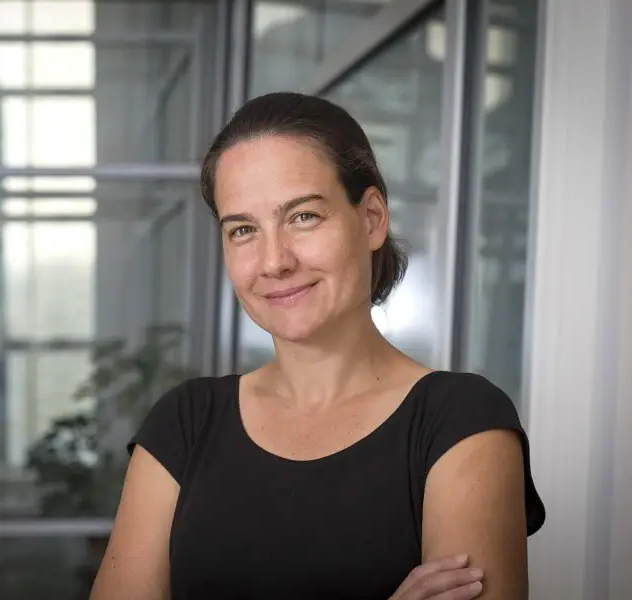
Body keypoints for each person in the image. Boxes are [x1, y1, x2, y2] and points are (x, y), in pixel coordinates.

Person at [89, 92, 546, 600]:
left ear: (371, 218)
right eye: (243, 230)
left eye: (303, 217)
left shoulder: (459, 423)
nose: (274, 261)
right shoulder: (184, 424)